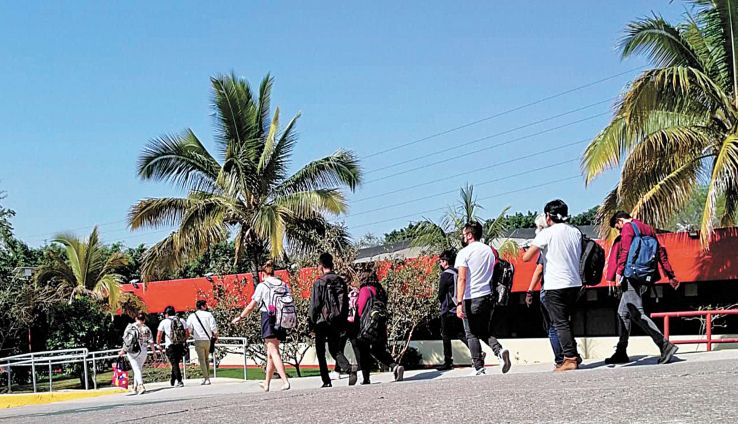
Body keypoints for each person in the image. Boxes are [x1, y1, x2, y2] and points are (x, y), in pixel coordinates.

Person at [606, 211, 680, 365]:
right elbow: (660, 252)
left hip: (631, 275)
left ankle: (664, 345)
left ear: (620, 220)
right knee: (623, 313)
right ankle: (621, 351)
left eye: (618, 227)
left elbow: (625, 250)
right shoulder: (647, 228)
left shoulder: (628, 227)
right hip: (644, 275)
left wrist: (619, 272)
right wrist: (670, 274)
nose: (619, 231)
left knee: (637, 313)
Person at [522, 199, 582, 372]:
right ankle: (574, 355)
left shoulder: (547, 233)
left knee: (559, 323)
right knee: (567, 321)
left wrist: (536, 245)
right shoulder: (575, 232)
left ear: (548, 216)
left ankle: (569, 359)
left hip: (555, 284)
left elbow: (526, 258)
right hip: (575, 283)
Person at [455, 221, 511, 376]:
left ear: (469, 235)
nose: (463, 236)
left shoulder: (464, 253)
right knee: (483, 330)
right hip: (487, 296)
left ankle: (478, 367)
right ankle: (499, 351)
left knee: (471, 333)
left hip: (471, 297)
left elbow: (462, 279)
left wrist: (459, 302)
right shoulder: (489, 251)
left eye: (464, 233)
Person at [231, 260, 291, 392]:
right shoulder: (283, 284)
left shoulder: (262, 286)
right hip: (281, 317)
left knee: (274, 351)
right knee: (270, 352)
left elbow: (252, 305)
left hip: (268, 317)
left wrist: (240, 317)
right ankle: (266, 383)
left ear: (263, 274)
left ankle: (285, 381)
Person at [309, 252, 358, 388]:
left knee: (320, 351)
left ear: (321, 265)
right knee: (334, 348)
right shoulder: (340, 281)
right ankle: (349, 368)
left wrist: (311, 322)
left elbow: (315, 305)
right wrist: (342, 321)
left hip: (322, 321)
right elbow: (345, 303)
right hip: (336, 321)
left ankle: (326, 380)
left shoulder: (319, 283)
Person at [525, 214, 564, 367]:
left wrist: (529, 291)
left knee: (553, 327)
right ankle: (571, 355)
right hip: (566, 287)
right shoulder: (563, 242)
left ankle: (560, 359)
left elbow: (538, 269)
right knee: (564, 323)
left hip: (549, 289)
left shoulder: (546, 245)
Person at [354, 269, 405, 384]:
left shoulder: (365, 290)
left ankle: (366, 378)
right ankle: (395, 366)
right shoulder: (380, 290)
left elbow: (360, 308)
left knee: (363, 350)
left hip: (367, 326)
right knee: (378, 349)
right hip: (380, 324)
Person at [436, 249, 469, 371]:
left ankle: (448, 361)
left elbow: (441, 293)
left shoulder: (445, 275)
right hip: (458, 307)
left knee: (445, 335)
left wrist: (441, 303)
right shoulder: (458, 272)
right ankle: (477, 352)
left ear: (445, 261)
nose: (440, 264)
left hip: (447, 309)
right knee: (461, 333)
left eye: (441, 261)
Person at [119, 312, 153, 395]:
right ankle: (134, 387)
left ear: (136, 318)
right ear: (144, 320)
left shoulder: (130, 327)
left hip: (133, 350)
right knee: (138, 369)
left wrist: (123, 350)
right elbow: (151, 341)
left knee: (136, 369)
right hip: (143, 350)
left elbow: (126, 340)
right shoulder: (146, 328)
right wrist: (154, 352)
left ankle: (141, 386)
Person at [186, 299, 219, 385]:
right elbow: (213, 327)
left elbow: (189, 329)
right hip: (208, 340)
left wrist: (188, 336)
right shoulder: (209, 315)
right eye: (205, 305)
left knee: (201, 360)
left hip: (198, 339)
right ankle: (207, 377)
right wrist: (216, 336)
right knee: (206, 359)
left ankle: (206, 378)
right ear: (202, 306)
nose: (206, 307)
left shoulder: (192, 316)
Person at [156, 306, 189, 387]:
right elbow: (187, 333)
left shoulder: (164, 322)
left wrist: (158, 344)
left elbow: (159, 334)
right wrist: (183, 340)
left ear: (166, 314)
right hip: (180, 345)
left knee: (174, 363)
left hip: (170, 345)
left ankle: (180, 381)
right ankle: (173, 379)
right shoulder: (181, 320)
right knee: (176, 363)